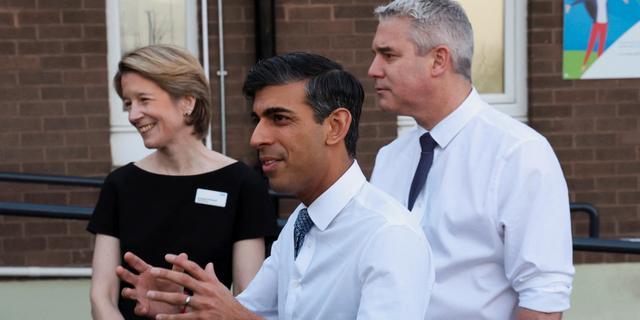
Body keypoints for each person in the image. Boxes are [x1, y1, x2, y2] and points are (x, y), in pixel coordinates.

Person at [116, 52, 435, 319]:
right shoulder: (301, 223)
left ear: (335, 126)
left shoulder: (389, 235)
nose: (257, 138)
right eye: (257, 120)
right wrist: (186, 308)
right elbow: (246, 311)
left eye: (279, 118)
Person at [368, 1, 575, 320]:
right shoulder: (390, 158)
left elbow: (543, 297)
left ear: (438, 60)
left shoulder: (518, 153)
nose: (374, 69)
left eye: (389, 54)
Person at [87, 44, 277, 319]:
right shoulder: (120, 184)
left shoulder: (243, 184)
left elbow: (247, 301)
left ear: (187, 101)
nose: (133, 115)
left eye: (144, 100)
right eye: (128, 103)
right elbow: (101, 296)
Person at [565, 0, 630, 70]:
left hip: (605, 24)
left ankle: (599, 64)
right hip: (597, 23)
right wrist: (570, 5)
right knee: (591, 44)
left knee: (601, 44)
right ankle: (584, 64)